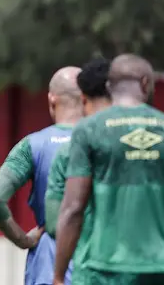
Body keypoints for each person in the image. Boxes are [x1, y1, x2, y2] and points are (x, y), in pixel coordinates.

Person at [54, 54, 164, 285]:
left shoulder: (89, 130)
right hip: (162, 270)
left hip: (104, 270)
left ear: (109, 87)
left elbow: (73, 209)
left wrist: (58, 275)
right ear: (145, 83)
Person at [0, 66, 82, 285]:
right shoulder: (104, 144)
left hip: (47, 265)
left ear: (51, 101)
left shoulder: (33, 145)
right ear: (86, 100)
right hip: (96, 264)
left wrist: (22, 239)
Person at [45, 57, 111, 284]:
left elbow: (67, 214)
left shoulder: (75, 145)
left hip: (93, 269)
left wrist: (58, 275)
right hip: (153, 268)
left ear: (83, 99)